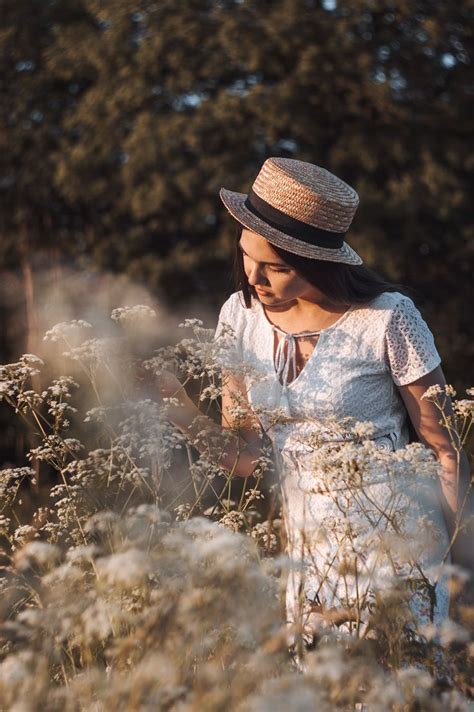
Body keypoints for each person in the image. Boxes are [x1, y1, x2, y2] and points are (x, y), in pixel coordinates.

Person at [154, 157, 472, 645]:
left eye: (277, 267)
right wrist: (170, 398)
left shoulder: (387, 318)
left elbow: (445, 449)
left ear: (318, 262)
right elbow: (242, 456)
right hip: (310, 555)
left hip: (400, 547)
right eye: (246, 255)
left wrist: (461, 566)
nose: (255, 277)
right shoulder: (238, 317)